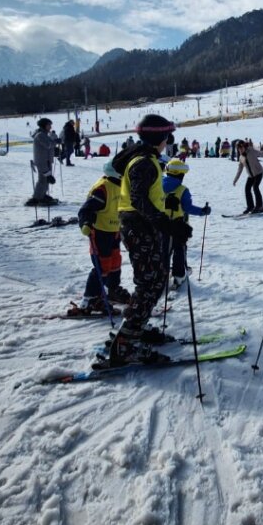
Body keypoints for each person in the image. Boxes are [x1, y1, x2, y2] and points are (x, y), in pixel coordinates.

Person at [97, 114, 179, 367]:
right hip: (139, 226)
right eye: (167, 136)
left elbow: (147, 196)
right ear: (160, 137)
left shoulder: (144, 158)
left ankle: (134, 327)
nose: (168, 141)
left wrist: (167, 206)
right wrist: (166, 223)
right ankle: (125, 345)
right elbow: (139, 198)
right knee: (151, 282)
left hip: (141, 225)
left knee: (153, 279)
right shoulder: (144, 161)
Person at [71, 158, 132, 315]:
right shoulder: (103, 188)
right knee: (102, 265)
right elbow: (86, 210)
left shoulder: (121, 186)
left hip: (114, 231)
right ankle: (90, 299)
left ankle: (112, 289)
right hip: (99, 233)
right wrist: (85, 223)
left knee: (115, 262)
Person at [162, 157, 211, 290]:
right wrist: (202, 211)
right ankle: (178, 276)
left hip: (160, 223)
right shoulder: (182, 190)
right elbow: (187, 208)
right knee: (179, 249)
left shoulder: (157, 185)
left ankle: (162, 276)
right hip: (178, 225)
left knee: (163, 250)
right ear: (179, 174)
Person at [26, 118, 58, 206]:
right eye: (49, 125)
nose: (50, 127)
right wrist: (55, 141)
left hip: (46, 160)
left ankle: (42, 195)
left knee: (46, 180)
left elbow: (50, 145)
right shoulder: (40, 135)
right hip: (42, 160)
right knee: (43, 180)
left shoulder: (44, 134)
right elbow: (48, 145)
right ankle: (37, 197)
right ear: (44, 125)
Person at [233, 139, 263, 214]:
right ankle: (250, 206)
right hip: (251, 175)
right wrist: (235, 180)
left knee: (255, 187)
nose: (240, 150)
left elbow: (261, 153)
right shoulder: (241, 157)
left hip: (259, 172)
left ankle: (260, 206)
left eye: (241, 148)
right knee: (247, 189)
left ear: (244, 147)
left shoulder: (251, 151)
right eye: (238, 149)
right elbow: (239, 170)